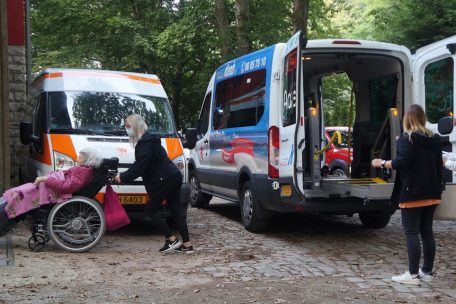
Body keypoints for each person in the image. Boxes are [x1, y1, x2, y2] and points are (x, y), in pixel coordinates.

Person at [371, 104, 443, 285]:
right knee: (427, 232)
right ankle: (427, 272)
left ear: (407, 119)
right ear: (422, 118)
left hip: (412, 193)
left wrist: (382, 162)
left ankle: (412, 275)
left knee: (411, 232)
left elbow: (401, 162)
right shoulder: (434, 139)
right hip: (432, 192)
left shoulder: (407, 138)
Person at [114, 113, 193, 254]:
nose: (126, 129)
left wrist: (123, 177)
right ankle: (187, 245)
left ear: (136, 126)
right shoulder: (148, 141)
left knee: (151, 210)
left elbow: (140, 167)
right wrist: (124, 174)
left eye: (128, 126)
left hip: (166, 179)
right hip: (173, 176)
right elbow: (138, 164)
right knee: (175, 211)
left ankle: (171, 239)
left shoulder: (146, 143)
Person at [0, 147, 102, 235]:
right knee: (22, 191)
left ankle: (6, 212)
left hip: (53, 190)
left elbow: (66, 187)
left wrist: (46, 179)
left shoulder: (83, 172)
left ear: (88, 160)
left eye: (80, 157)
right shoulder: (84, 171)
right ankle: (6, 206)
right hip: (50, 187)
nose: (76, 159)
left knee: (21, 193)